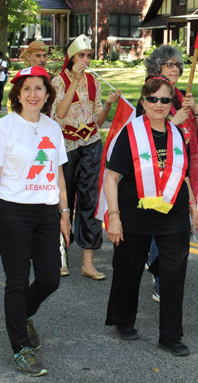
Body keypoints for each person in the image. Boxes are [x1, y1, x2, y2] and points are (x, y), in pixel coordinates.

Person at [0, 66, 71, 377]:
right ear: (18, 94)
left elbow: (59, 176)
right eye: (27, 89)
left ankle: (24, 315)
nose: (33, 94)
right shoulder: (5, 127)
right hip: (13, 212)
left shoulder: (53, 128)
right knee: (17, 281)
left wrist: (64, 213)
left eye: (39, 89)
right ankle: (21, 348)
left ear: (48, 94)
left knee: (50, 278)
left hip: (46, 213)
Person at [105, 75, 198, 357]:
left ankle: (170, 336)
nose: (159, 105)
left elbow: (183, 176)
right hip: (135, 211)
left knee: (174, 273)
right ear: (144, 101)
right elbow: (111, 179)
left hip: (173, 211)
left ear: (173, 103)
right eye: (153, 99)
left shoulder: (179, 134)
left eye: (165, 100)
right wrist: (114, 216)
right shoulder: (129, 132)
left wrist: (193, 207)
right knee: (129, 268)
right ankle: (123, 319)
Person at [142, 45, 198, 301]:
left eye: (178, 65)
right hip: (159, 169)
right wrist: (175, 121)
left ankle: (163, 270)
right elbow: (145, 130)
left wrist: (196, 109)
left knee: (176, 224)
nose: (176, 69)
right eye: (170, 64)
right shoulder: (152, 92)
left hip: (183, 168)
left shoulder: (181, 95)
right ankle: (160, 276)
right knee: (160, 222)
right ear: (158, 66)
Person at [51, 34, 121, 278]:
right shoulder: (58, 82)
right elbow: (59, 113)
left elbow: (96, 120)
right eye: (82, 55)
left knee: (90, 200)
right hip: (66, 146)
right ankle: (60, 255)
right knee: (64, 200)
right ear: (71, 58)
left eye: (89, 55)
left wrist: (109, 106)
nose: (87, 59)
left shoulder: (94, 82)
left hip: (91, 144)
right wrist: (75, 80)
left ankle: (88, 261)